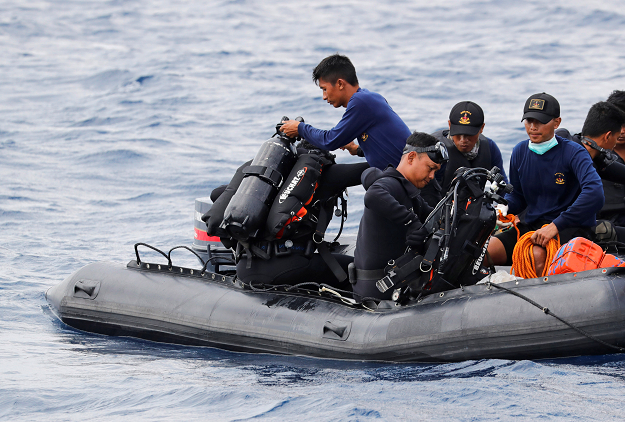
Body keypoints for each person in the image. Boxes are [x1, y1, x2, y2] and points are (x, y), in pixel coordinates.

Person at [486, 93, 605, 276]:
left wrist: (555, 226)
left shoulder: (574, 152)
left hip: (569, 227)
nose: (533, 127)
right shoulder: (519, 151)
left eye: (540, 122)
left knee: (536, 256)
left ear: (556, 123)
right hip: (532, 227)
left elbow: (595, 193)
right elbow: (518, 196)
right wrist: (504, 208)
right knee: (485, 251)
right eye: (528, 121)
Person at [351, 132, 448, 300]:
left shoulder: (411, 193)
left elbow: (434, 215)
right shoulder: (390, 184)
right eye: (430, 168)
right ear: (411, 158)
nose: (432, 176)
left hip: (394, 284)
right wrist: (411, 223)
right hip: (377, 291)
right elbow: (372, 196)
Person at [279, 54, 411, 170]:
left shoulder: (361, 102)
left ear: (340, 84)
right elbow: (388, 145)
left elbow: (330, 140)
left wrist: (300, 128)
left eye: (324, 89)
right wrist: (358, 150)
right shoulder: (367, 98)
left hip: (414, 186)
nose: (324, 96)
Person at [421, 101, 508, 207]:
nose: (463, 140)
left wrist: (503, 206)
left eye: (468, 134)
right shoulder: (433, 149)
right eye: (458, 133)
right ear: (449, 125)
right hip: (435, 211)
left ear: (481, 128)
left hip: (473, 211)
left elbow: (503, 188)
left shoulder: (490, 148)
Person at [555, 101, 625, 233]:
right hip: (567, 229)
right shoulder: (584, 161)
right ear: (608, 136)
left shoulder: (575, 146)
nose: (616, 142)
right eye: (616, 136)